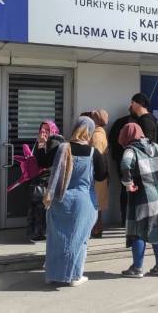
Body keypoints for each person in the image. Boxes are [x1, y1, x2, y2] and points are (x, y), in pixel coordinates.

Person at [40, 117, 107, 286]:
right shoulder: (94, 153)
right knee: (79, 239)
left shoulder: (62, 148)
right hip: (83, 202)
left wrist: (41, 145)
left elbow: (42, 162)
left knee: (56, 239)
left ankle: (53, 275)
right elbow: (101, 176)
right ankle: (74, 276)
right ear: (89, 132)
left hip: (59, 199)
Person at [119, 123, 158, 278]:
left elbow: (125, 164)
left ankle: (137, 268)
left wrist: (128, 183)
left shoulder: (131, 150)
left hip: (141, 195)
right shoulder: (156, 147)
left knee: (138, 231)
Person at [29, 121, 64, 242]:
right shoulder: (43, 141)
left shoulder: (55, 141)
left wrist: (42, 145)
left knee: (42, 208)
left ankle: (42, 233)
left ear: (53, 130)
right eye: (41, 130)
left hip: (48, 181)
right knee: (39, 208)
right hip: (42, 180)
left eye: (46, 130)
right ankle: (39, 232)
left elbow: (45, 163)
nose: (43, 133)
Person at [109, 108, 134, 227]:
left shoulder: (119, 122)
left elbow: (111, 141)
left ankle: (124, 218)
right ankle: (131, 219)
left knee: (125, 189)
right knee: (134, 189)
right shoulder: (138, 124)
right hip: (134, 162)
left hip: (120, 160)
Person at [88, 109, 109, 238]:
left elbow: (95, 157)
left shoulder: (96, 136)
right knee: (98, 202)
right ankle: (97, 228)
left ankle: (96, 229)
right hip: (101, 173)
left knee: (96, 203)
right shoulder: (101, 133)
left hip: (96, 174)